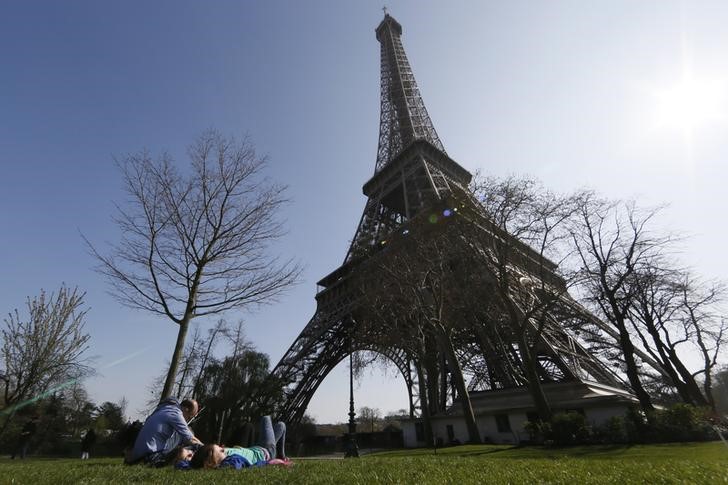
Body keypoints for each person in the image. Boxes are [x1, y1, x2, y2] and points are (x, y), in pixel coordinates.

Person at [186, 416, 287, 470]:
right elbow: (235, 467)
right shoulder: (231, 462)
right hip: (267, 452)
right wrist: (271, 463)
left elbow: (193, 461)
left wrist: (187, 458)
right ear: (209, 462)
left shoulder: (214, 457)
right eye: (221, 450)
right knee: (267, 419)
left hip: (257, 446)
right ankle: (281, 455)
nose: (224, 449)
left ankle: (281, 455)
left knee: (281, 425)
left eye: (221, 448)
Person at [126, 397, 202, 467]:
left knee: (185, 433)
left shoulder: (164, 409)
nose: (187, 421)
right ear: (186, 409)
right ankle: (202, 460)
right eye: (189, 417)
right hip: (150, 457)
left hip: (136, 457)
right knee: (187, 435)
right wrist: (205, 448)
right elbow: (190, 439)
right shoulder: (176, 414)